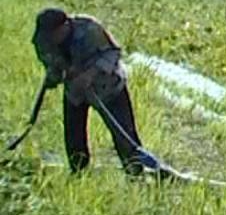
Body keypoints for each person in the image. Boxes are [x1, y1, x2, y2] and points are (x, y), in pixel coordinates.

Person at [31, 9, 156, 174]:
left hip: (109, 87)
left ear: (64, 26)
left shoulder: (89, 29)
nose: (51, 40)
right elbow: (50, 64)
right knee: (74, 136)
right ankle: (78, 172)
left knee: (124, 133)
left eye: (54, 34)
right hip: (75, 92)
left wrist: (90, 75)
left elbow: (113, 52)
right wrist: (59, 75)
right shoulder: (42, 41)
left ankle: (135, 170)